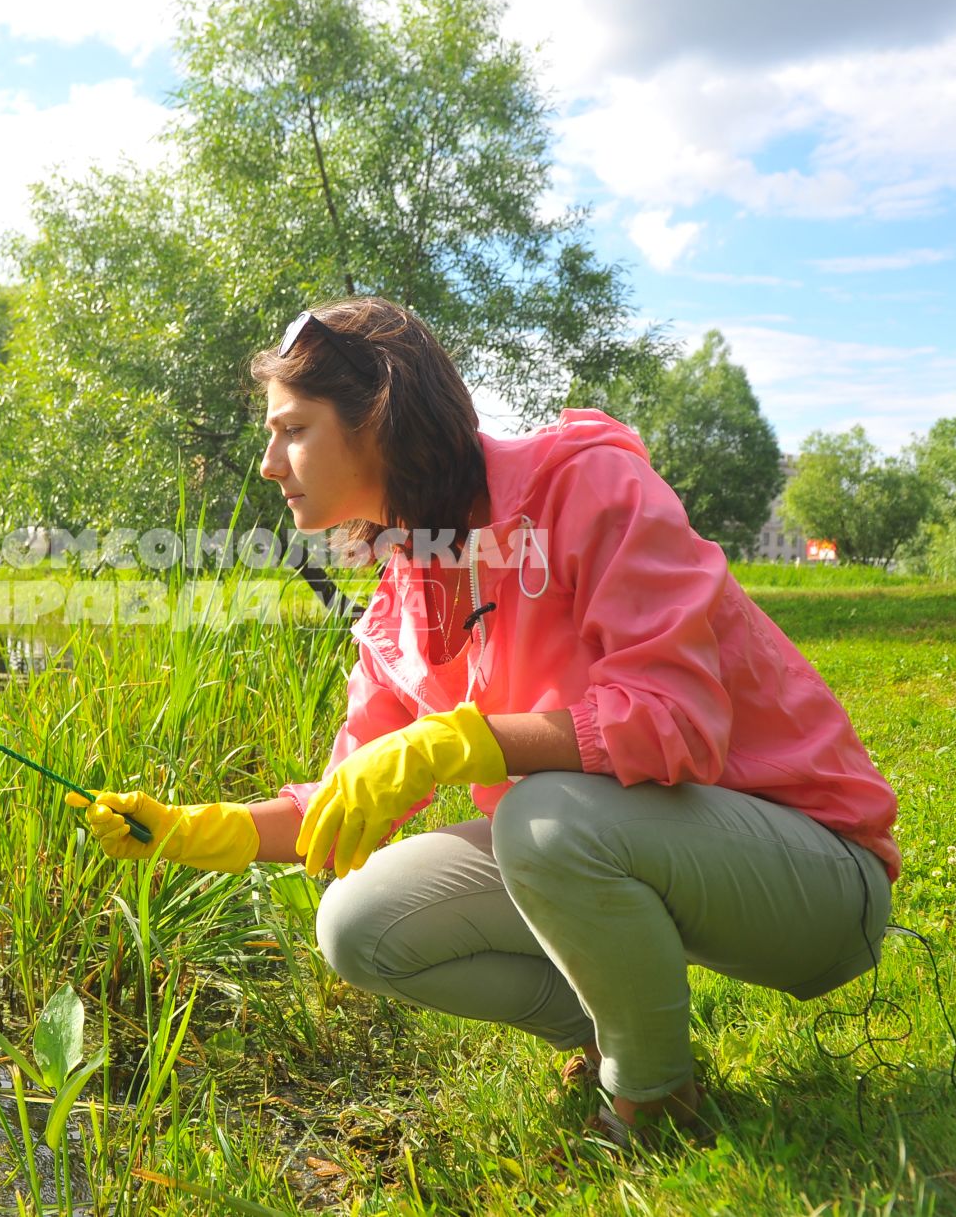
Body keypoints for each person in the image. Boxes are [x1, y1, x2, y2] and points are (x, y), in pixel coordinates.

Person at [66, 296, 898, 1147]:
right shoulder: (402, 594)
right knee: (355, 921)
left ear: (380, 416)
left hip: (818, 878)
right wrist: (193, 831)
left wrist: (466, 741)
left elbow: (676, 720)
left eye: (295, 429)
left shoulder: (583, 484)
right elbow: (349, 792)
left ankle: (654, 1102)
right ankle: (612, 1029)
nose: (271, 461)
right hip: (628, 849)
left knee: (543, 814)